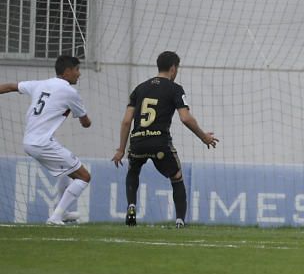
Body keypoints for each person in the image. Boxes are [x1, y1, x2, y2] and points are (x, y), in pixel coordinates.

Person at [111, 51, 218, 228]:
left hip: (137, 141)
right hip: (159, 142)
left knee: (133, 170)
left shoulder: (139, 89)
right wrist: (204, 137)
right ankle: (180, 221)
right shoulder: (175, 89)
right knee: (176, 177)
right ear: (173, 68)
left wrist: (121, 149)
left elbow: (126, 121)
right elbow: (186, 118)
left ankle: (131, 206)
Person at [1, 55, 92, 225]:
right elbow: (86, 123)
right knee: (84, 176)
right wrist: (79, 114)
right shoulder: (70, 92)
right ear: (67, 72)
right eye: (77, 70)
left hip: (30, 141)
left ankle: (61, 213)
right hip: (41, 143)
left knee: (67, 172)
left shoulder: (40, 84)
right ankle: (56, 217)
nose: (79, 74)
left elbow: (10, 86)